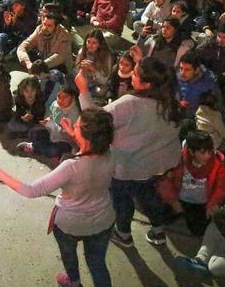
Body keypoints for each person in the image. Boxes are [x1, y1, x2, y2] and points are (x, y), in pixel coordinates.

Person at [0, 108, 118, 287]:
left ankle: (74, 284)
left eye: (78, 124)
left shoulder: (71, 167)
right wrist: (73, 134)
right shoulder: (110, 154)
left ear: (87, 136)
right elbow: (89, 152)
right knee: (98, 265)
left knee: (69, 253)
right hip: (102, 220)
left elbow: (32, 190)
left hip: (71, 223)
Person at [76, 56, 182, 247]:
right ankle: (158, 232)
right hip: (154, 169)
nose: (131, 75)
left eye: (135, 73)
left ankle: (123, 235)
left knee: (123, 204)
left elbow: (94, 119)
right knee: (150, 200)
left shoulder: (130, 103)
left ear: (147, 83)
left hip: (126, 169)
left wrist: (83, 90)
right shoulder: (171, 102)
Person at [158, 130, 225, 236]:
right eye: (202, 152)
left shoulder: (218, 166)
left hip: (200, 204)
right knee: (161, 217)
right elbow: (164, 181)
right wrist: (172, 200)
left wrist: (213, 204)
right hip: (179, 199)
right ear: (191, 151)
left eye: (210, 152)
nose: (207, 156)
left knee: (199, 231)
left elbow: (221, 188)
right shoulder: (177, 160)